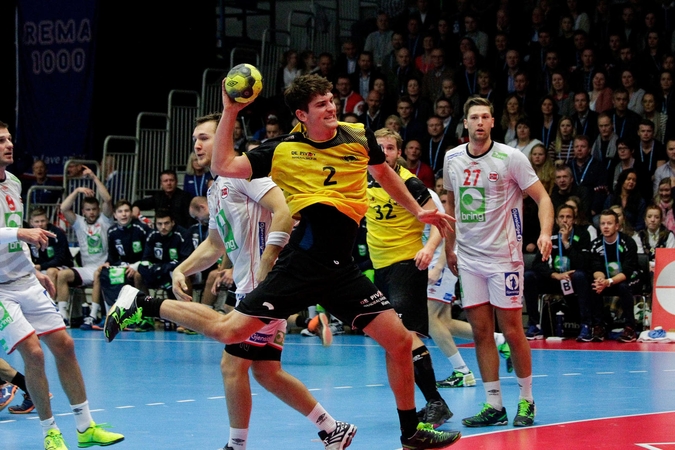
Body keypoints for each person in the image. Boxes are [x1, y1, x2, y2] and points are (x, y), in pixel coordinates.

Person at [104, 74, 461, 449]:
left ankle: (409, 433)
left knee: (400, 343)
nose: (331, 107)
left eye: (331, 99)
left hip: (342, 270)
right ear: (302, 115)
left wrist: (417, 211)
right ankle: (141, 302)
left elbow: (384, 173)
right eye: (321, 104)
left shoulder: (357, 135)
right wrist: (230, 110)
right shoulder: (282, 149)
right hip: (302, 265)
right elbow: (224, 163)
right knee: (230, 333)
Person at [0, 120, 124, 449]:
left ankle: (85, 427)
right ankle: (50, 433)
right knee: (33, 352)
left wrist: (34, 270)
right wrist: (21, 232)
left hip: (24, 279)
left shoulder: (13, 182)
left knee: (65, 346)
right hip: (0, 290)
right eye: (1, 141)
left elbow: (14, 237)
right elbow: (15, 232)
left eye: (9, 139)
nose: (9, 145)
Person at [442, 97, 554, 428]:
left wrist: (545, 233)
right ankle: (494, 405)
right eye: (474, 117)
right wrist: (450, 248)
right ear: (465, 123)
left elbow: (543, 198)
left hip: (504, 258)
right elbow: (450, 206)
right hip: (469, 258)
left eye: (485, 117)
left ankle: (526, 400)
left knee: (512, 330)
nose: (479, 122)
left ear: (493, 122)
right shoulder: (452, 158)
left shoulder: (511, 158)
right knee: (481, 332)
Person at [366, 128, 453, 428]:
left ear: (399, 152)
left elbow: (439, 223)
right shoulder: (364, 179)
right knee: (392, 342)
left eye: (390, 148)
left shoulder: (411, 184)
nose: (384, 153)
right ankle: (419, 406)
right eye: (379, 147)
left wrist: (428, 250)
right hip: (380, 268)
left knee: (404, 336)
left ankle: (436, 402)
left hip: (407, 263)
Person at [55, 166, 114, 328]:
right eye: (88, 210)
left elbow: (108, 200)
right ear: (83, 211)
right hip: (86, 269)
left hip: (103, 268)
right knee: (62, 275)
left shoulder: (105, 221)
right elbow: (64, 208)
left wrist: (94, 177)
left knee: (97, 274)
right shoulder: (79, 223)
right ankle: (63, 316)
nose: (91, 212)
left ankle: (93, 316)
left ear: (98, 210)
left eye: (94, 209)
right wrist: (77, 191)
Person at [524, 204, 593, 341]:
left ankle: (586, 325)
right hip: (554, 279)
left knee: (581, 276)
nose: (565, 220)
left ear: (574, 220)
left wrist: (566, 242)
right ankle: (534, 325)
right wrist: (554, 275)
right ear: (556, 220)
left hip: (572, 278)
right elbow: (537, 263)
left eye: (568, 217)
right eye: (561, 217)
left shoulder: (583, 234)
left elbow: (583, 263)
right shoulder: (549, 235)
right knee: (529, 276)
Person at [589, 209, 641, 342]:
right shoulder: (595, 245)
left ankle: (630, 328)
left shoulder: (628, 242)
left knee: (623, 287)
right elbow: (596, 267)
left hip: (627, 279)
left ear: (617, 226)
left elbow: (627, 271)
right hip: (606, 280)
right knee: (594, 285)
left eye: (609, 223)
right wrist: (601, 281)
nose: (605, 227)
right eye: (603, 224)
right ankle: (598, 326)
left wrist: (609, 282)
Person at [28, 207, 73, 287]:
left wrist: (41, 266)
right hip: (38, 267)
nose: (40, 224)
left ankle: (50, 295)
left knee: (51, 272)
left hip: (62, 265)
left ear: (47, 220)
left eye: (42, 221)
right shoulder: (28, 236)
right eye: (37, 221)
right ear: (31, 222)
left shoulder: (57, 234)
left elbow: (60, 259)